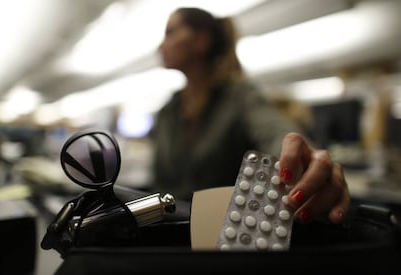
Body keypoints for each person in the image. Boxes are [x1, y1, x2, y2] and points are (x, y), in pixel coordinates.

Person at [148, 7, 350, 225]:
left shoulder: (240, 98)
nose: (161, 45)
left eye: (170, 33)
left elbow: (275, 133)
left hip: (218, 237)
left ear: (201, 41)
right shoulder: (166, 113)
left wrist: (307, 163)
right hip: (164, 236)